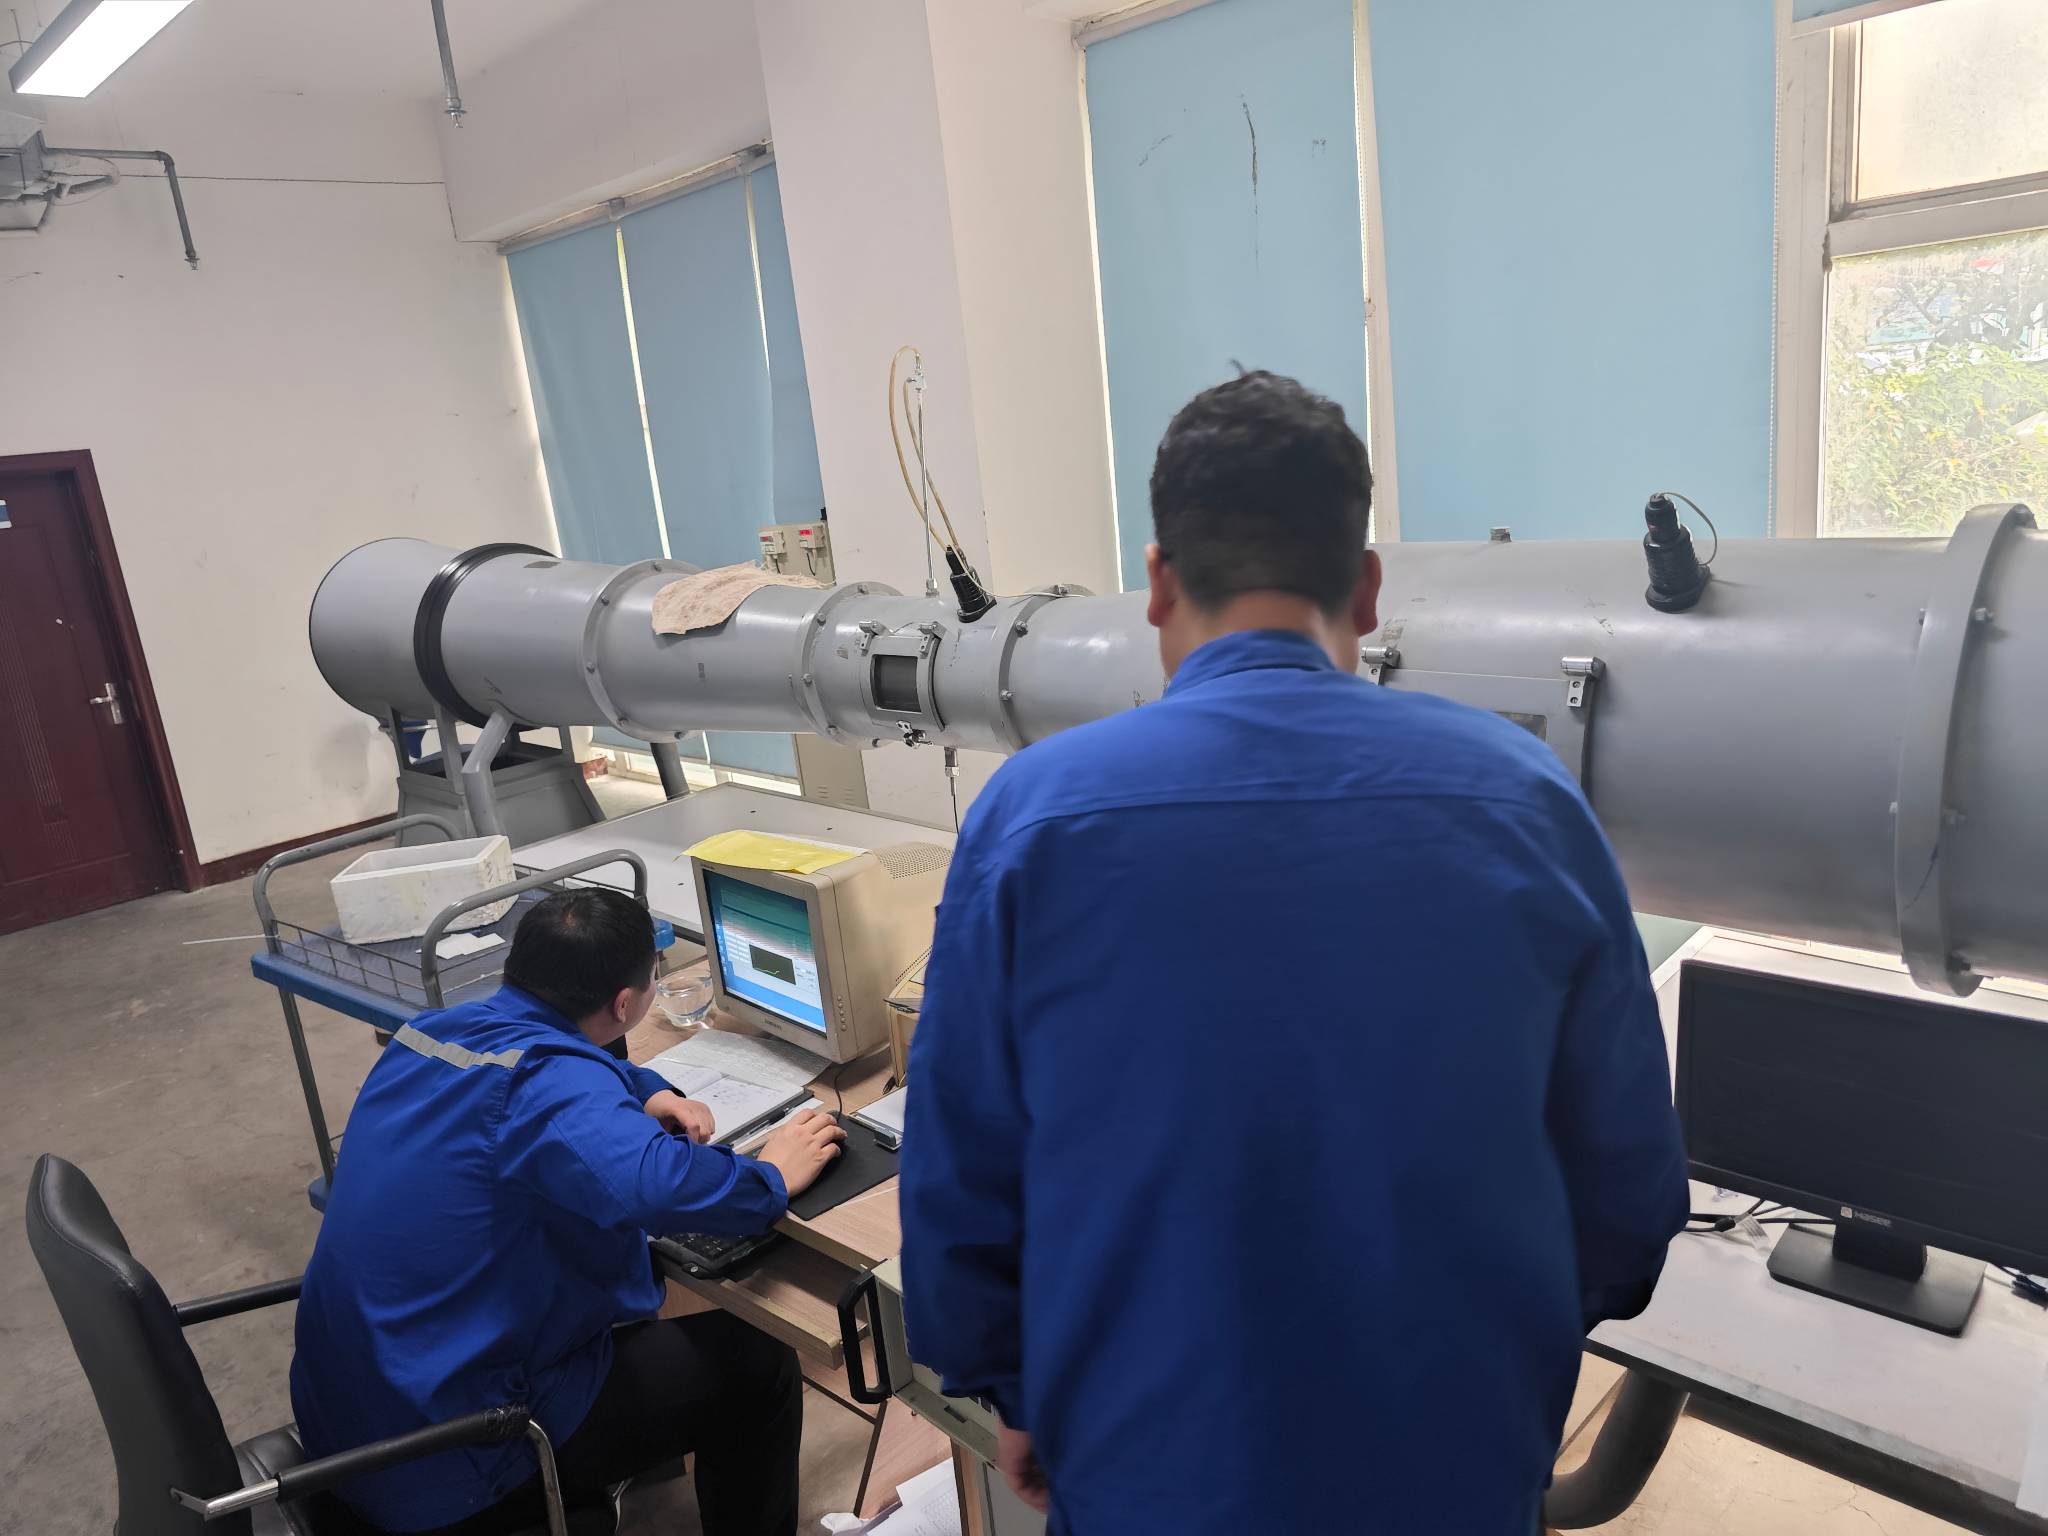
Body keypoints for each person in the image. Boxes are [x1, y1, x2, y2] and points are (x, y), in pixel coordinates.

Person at [899, 371, 1689, 1534]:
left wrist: (1012, 1389)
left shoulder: (1031, 816)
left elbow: (960, 1175)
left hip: (1144, 1471)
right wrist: (1498, 1348)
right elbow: (1628, 1187)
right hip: (1450, 1464)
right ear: (1365, 589)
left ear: (1157, 582)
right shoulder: (1525, 798)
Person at [291, 887, 845, 1536]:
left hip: (352, 1415)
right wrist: (773, 1175)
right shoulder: (546, 1085)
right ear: (625, 1005)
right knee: (759, 1365)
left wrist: (646, 1089)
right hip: (456, 1453)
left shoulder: (430, 1034)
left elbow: (542, 1064)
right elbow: (655, 1188)